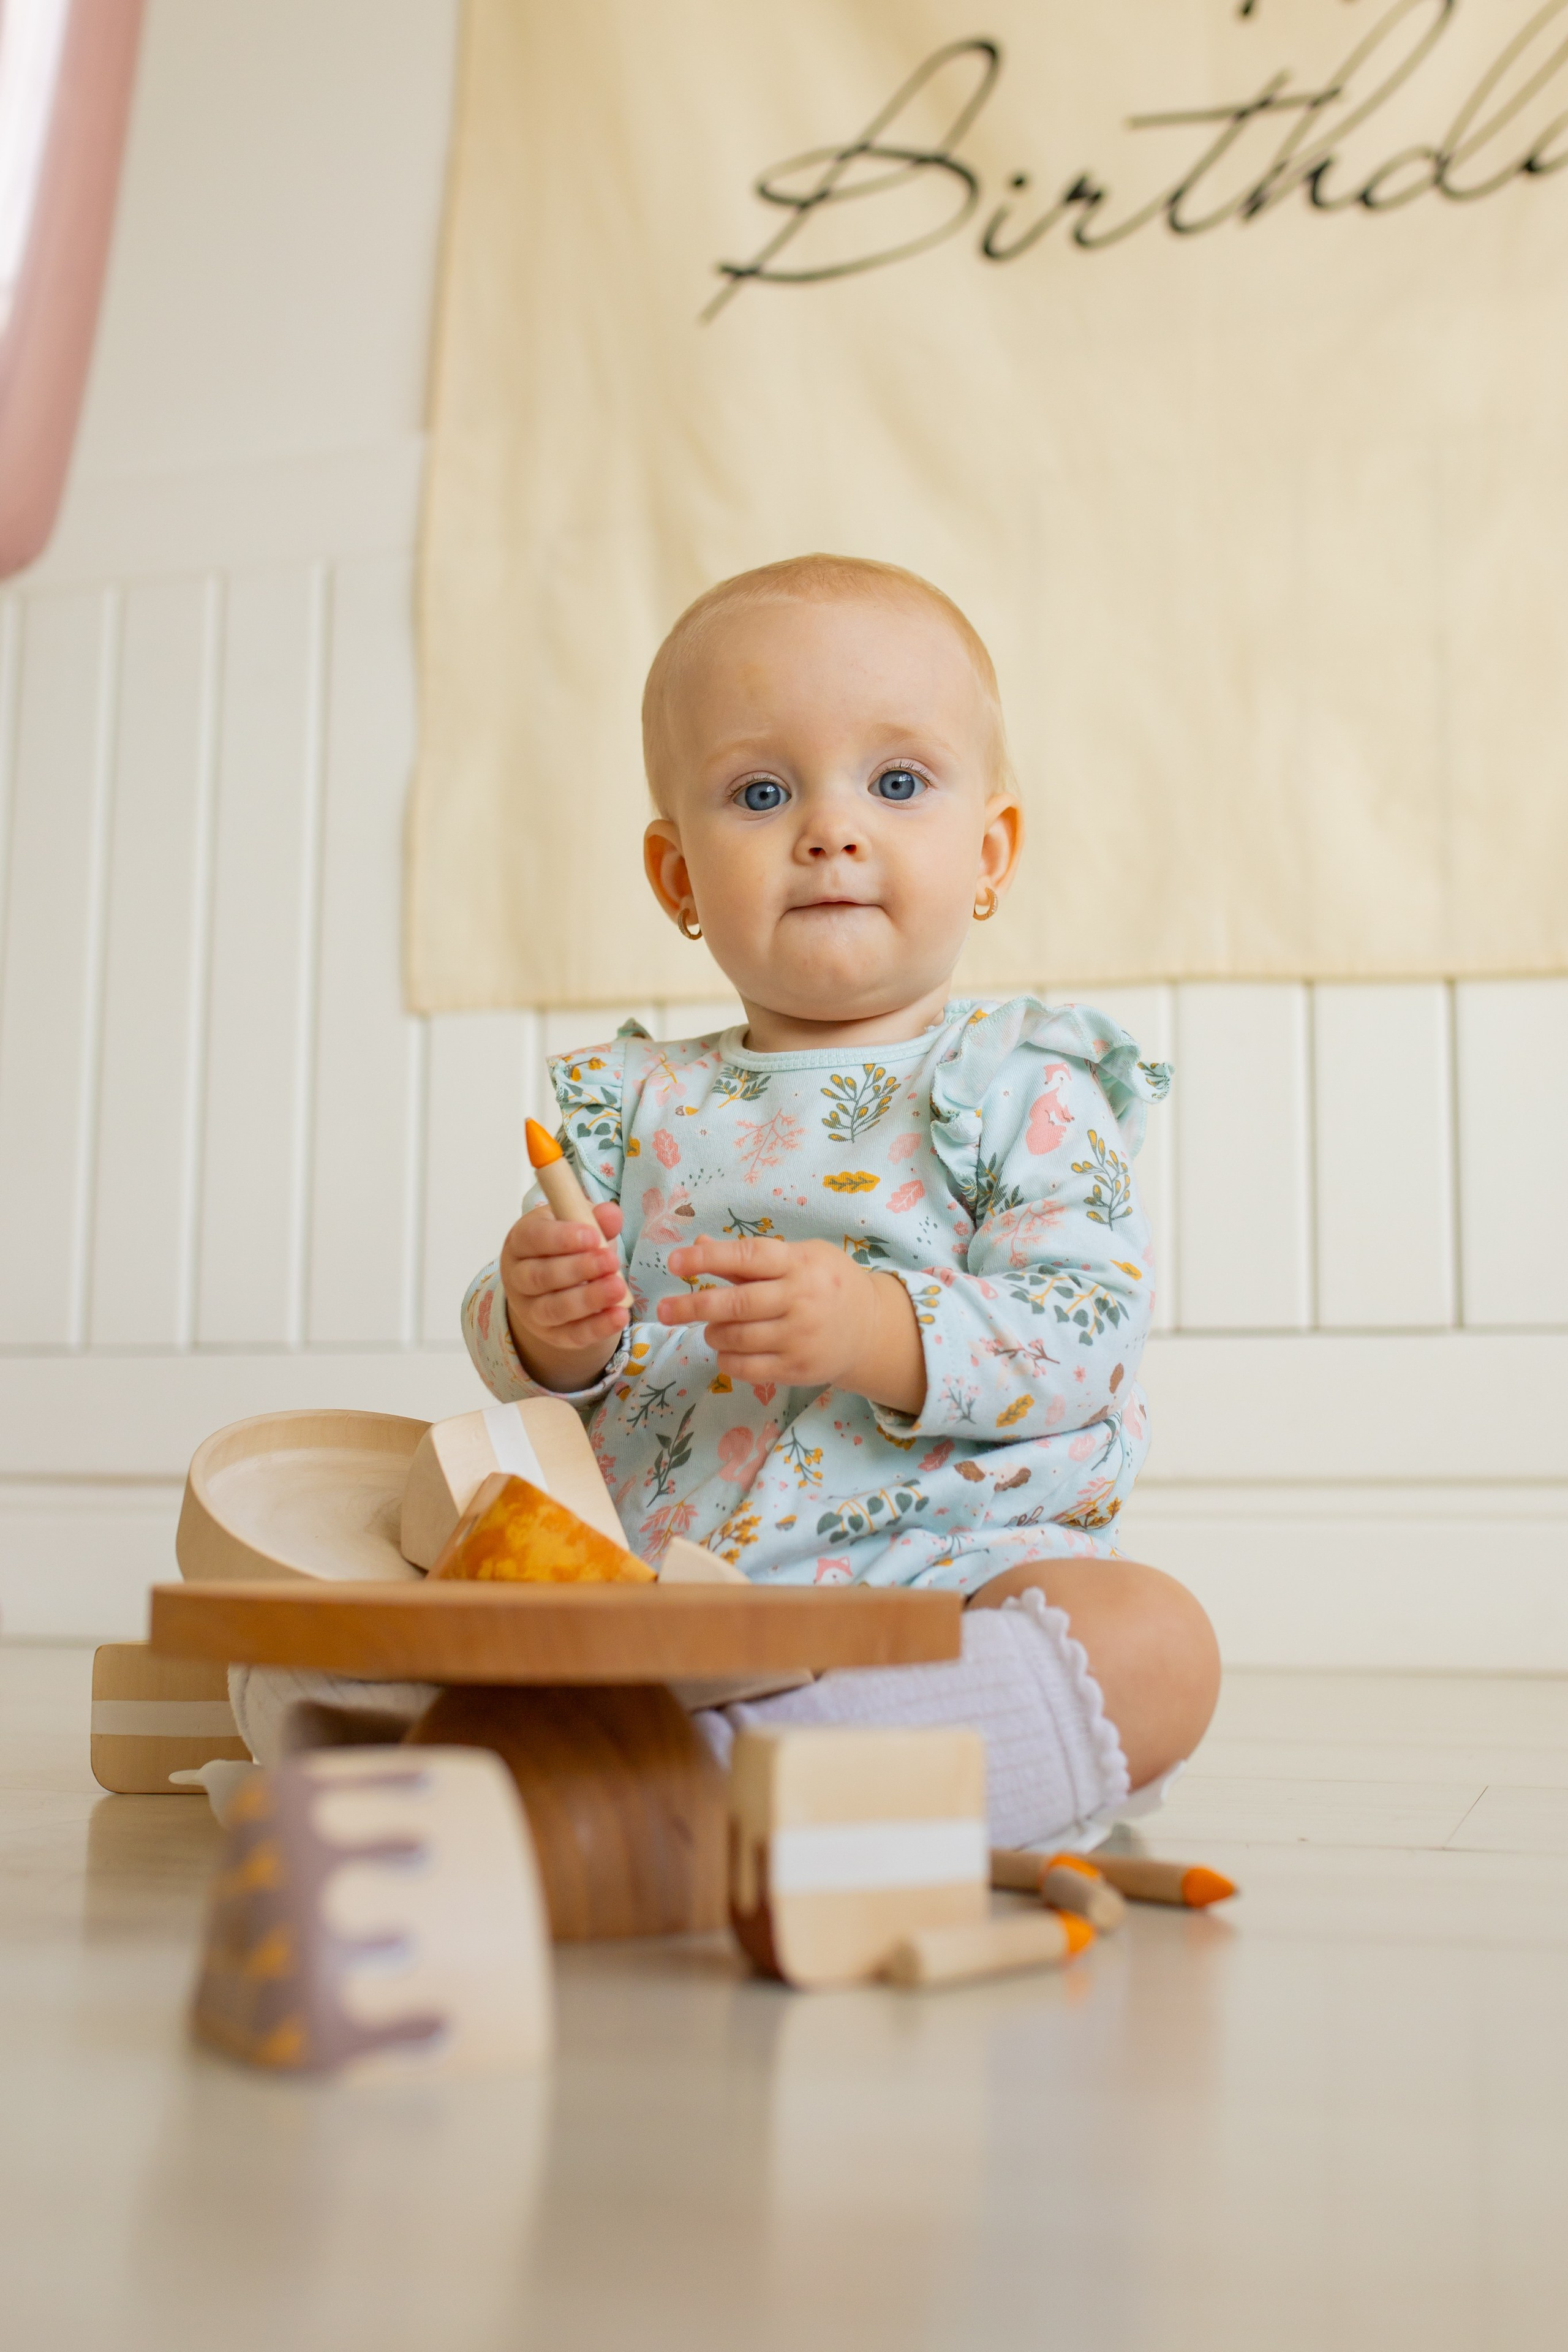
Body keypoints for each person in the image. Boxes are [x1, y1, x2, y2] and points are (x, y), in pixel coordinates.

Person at [462, 554, 1219, 1848]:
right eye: (760, 792)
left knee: (1155, 1645)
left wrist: (880, 1327)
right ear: (678, 881)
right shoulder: (635, 1107)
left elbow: (1084, 1334)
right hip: (677, 1596)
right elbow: (526, 1375)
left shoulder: (1020, 1083)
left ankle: (741, 1785)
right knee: (428, 1536)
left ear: (988, 852)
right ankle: (779, 1782)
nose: (829, 827)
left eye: (897, 781)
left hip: (949, 1590)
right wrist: (545, 1328)